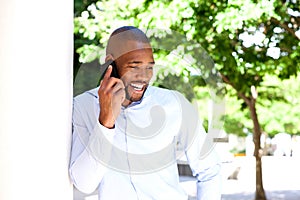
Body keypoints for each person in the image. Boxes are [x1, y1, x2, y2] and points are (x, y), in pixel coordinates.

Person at [69, 26, 222, 200]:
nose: (143, 77)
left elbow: (210, 169)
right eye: (134, 67)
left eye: (149, 67)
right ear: (110, 63)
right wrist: (106, 121)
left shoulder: (175, 104)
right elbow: (84, 183)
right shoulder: (82, 106)